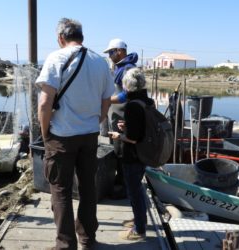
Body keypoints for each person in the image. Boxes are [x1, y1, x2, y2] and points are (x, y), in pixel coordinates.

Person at [36, 18, 114, 250]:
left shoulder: (56, 58)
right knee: (88, 188)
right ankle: (88, 240)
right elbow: (106, 99)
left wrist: (45, 133)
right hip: (89, 135)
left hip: (61, 136)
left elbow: (44, 103)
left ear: (61, 38)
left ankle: (65, 245)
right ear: (82, 37)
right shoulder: (100, 61)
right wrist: (96, 121)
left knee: (60, 190)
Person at [108, 68, 151, 241]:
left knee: (134, 191)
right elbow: (143, 128)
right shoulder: (147, 101)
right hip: (144, 154)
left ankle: (139, 229)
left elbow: (134, 138)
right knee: (138, 189)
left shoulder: (132, 105)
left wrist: (120, 135)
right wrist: (127, 127)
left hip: (133, 155)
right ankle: (140, 219)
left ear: (126, 86)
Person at [103, 39, 138, 197]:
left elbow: (127, 94)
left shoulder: (128, 69)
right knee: (117, 149)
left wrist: (107, 100)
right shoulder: (120, 68)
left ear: (120, 51)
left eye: (111, 52)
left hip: (123, 116)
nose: (109, 56)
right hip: (116, 115)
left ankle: (125, 188)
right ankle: (119, 179)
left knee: (123, 150)